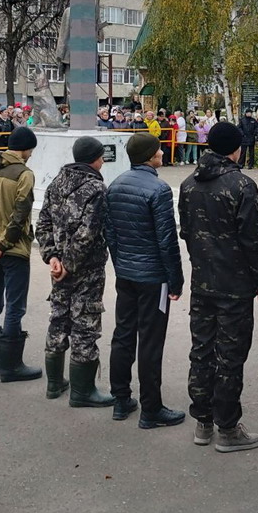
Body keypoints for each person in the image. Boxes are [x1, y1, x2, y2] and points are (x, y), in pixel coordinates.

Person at [178, 123, 258, 452]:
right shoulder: (242, 185)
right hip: (235, 285)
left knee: (202, 350)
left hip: (203, 282)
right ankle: (227, 428)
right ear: (235, 149)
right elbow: (252, 239)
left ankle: (203, 421)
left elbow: (186, 231)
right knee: (230, 356)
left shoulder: (188, 184)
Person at [104, 132, 185, 428]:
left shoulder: (115, 185)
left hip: (126, 273)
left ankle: (121, 399)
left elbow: (110, 233)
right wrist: (175, 281)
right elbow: (167, 240)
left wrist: (121, 263)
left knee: (124, 334)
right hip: (153, 277)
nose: (163, 153)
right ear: (151, 156)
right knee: (151, 341)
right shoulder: (159, 189)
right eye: (159, 150)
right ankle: (151, 408)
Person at [36, 137, 114, 407]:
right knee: (85, 323)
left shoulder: (57, 182)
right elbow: (87, 234)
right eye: (101, 156)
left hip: (58, 269)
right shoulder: (96, 188)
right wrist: (68, 263)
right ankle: (83, 392)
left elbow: (43, 222)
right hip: (86, 270)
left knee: (58, 319)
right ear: (95, 158)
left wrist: (53, 258)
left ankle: (54, 383)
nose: (103, 161)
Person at [0, 126, 42, 382]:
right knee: (15, 306)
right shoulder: (24, 174)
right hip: (12, 249)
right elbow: (21, 214)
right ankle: (11, 366)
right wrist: (3, 246)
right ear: (26, 149)